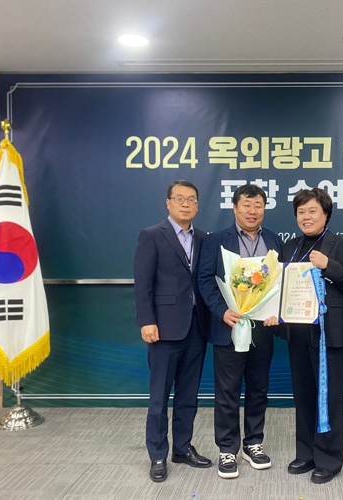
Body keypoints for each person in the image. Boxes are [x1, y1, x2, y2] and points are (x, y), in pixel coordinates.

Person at [274, 188, 343, 484]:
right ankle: (306, 453)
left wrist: (329, 266)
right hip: (298, 331)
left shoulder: (342, 245)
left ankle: (329, 459)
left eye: (312, 211)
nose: (306, 217)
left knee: (330, 396)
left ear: (326, 214)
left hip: (330, 333)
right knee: (303, 395)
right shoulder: (290, 247)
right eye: (301, 212)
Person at [197, 183, 284, 479]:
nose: (252, 210)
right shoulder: (216, 240)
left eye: (258, 205)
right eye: (247, 204)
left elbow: (279, 283)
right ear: (235, 208)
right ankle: (227, 448)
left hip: (262, 330)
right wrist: (222, 311)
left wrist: (276, 313)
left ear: (264, 209)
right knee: (227, 391)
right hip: (229, 327)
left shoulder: (273, 240)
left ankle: (253, 443)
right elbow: (205, 280)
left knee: (259, 389)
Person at [133, 180, 212, 483]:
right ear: (168, 203)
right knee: (159, 397)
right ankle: (157, 455)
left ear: (197, 206)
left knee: (189, 395)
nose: (185, 204)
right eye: (179, 199)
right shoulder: (152, 235)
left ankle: (182, 448)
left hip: (197, 327)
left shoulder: (203, 238)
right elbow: (143, 283)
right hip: (163, 329)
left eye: (191, 199)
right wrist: (146, 320)